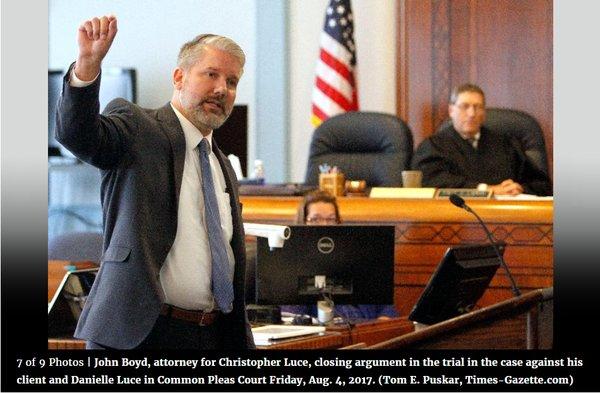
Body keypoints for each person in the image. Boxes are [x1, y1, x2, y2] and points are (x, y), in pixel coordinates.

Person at [55, 15, 254, 349]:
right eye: (211, 74)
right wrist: (87, 67)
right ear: (179, 77)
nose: (222, 89)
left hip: (211, 335)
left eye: (232, 81)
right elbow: (77, 135)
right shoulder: (138, 127)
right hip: (142, 335)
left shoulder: (222, 165)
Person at [411, 83, 552, 196]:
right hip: (456, 220)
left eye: (477, 107)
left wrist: (520, 188)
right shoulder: (433, 146)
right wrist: (485, 189)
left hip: (505, 219)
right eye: (465, 106)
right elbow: (429, 182)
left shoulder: (505, 144)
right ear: (451, 111)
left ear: (484, 112)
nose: (472, 113)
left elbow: (542, 185)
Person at [281, 191, 398, 321]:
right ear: (303, 223)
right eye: (315, 219)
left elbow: (385, 307)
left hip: (367, 332)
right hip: (325, 336)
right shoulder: (292, 264)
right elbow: (291, 318)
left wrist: (381, 326)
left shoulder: (358, 257)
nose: (324, 225)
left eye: (330, 219)